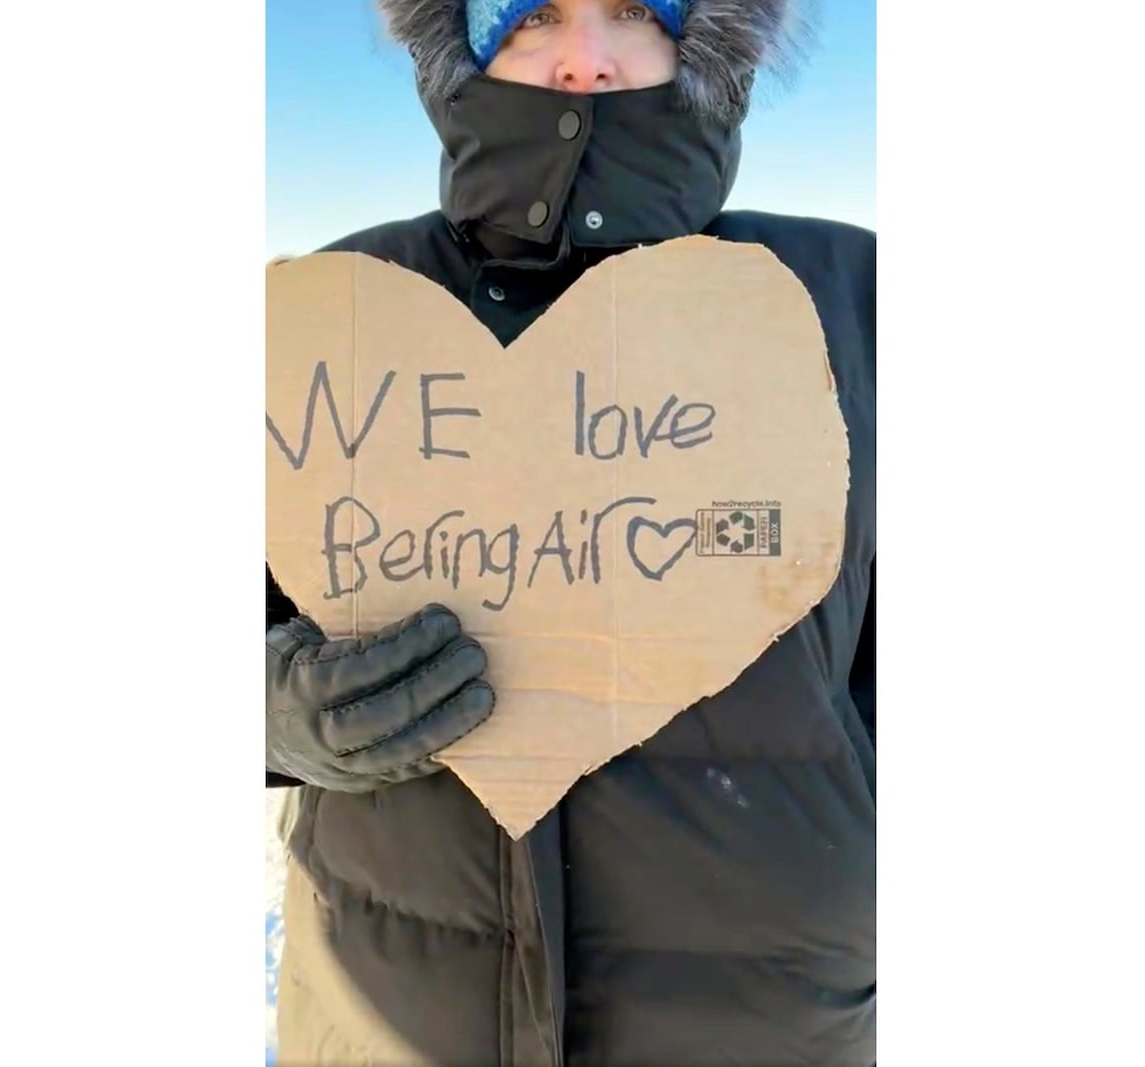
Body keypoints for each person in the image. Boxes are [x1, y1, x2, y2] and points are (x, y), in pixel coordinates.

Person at [265, 1, 875, 1063]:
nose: (584, 61)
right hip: (392, 1005)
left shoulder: (854, 302)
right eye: (532, 13)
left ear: (706, 40)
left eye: (635, 10)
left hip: (767, 1019)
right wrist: (274, 714)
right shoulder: (336, 308)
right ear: (462, 39)